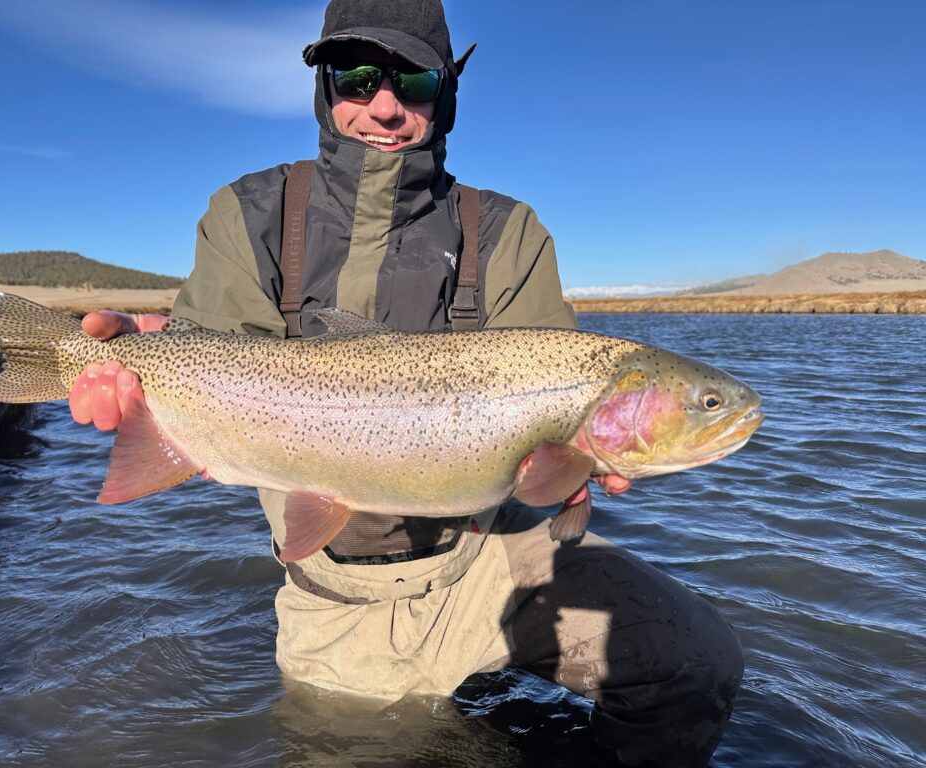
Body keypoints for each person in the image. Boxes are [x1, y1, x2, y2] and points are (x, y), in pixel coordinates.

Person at [69, 1, 744, 764]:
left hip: (490, 564)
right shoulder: (250, 215)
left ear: (445, 92)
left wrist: (574, 476)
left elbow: (549, 487)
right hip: (335, 596)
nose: (383, 105)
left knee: (696, 662)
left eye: (413, 80)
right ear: (324, 89)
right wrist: (145, 366)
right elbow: (214, 357)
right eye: (354, 77)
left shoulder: (508, 232)